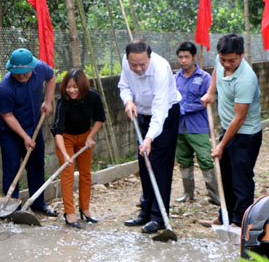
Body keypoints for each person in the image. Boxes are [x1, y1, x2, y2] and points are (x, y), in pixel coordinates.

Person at [119, 39, 181, 234]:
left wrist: (149, 138)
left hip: (166, 116)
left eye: (142, 64)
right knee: (143, 164)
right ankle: (145, 212)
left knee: (158, 165)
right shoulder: (126, 62)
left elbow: (160, 110)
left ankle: (159, 217)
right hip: (142, 115)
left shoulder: (161, 68)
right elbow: (124, 86)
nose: (138, 68)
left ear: (150, 57)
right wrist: (128, 101)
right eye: (133, 64)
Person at [200, 33, 262, 227]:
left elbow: (240, 118)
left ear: (242, 55)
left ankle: (240, 222)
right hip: (228, 129)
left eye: (232, 60)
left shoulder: (246, 79)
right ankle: (223, 216)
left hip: (246, 135)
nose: (226, 64)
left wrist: (221, 145)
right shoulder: (222, 64)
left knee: (241, 178)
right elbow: (217, 72)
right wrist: (210, 92)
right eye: (223, 59)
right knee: (224, 174)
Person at [0, 48, 57, 216]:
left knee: (37, 164)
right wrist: (24, 137)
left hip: (34, 124)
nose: (21, 77)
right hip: (10, 130)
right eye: (17, 74)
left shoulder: (40, 68)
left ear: (32, 68)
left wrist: (48, 101)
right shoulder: (4, 88)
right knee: (12, 167)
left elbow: (51, 78)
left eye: (25, 74)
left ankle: (38, 203)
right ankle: (12, 209)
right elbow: (7, 115)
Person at [51, 69, 106, 228]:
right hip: (66, 138)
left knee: (85, 174)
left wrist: (91, 136)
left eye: (75, 87)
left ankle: (85, 209)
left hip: (85, 137)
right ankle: (69, 212)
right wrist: (64, 153)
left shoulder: (93, 97)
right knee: (67, 174)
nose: (72, 90)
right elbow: (58, 131)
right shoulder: (63, 102)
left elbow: (100, 118)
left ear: (82, 86)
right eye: (68, 87)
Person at [173, 42, 219, 205]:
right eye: (180, 57)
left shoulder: (205, 78)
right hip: (179, 127)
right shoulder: (174, 78)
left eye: (186, 57)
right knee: (184, 159)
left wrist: (183, 108)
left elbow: (205, 100)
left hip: (198, 126)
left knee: (206, 159)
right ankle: (188, 193)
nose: (183, 60)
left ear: (194, 57)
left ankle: (215, 195)